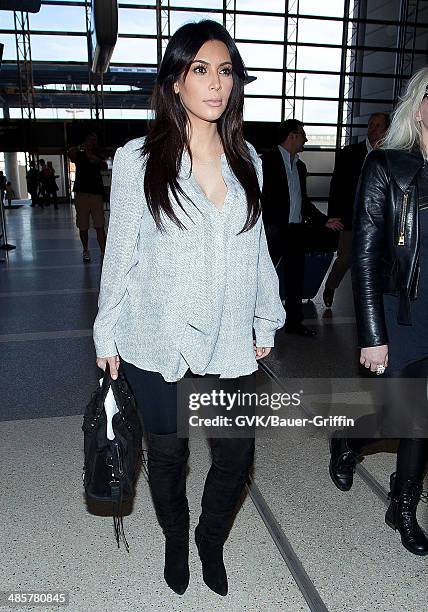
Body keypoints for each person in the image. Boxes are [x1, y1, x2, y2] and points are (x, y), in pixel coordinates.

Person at [93, 20, 285, 596]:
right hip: (157, 337)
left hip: (229, 338)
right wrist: (107, 334)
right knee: (169, 456)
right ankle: (177, 537)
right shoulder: (138, 161)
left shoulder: (246, 156)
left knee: (235, 453)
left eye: (225, 71)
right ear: (175, 80)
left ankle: (209, 538)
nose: (215, 83)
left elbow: (258, 246)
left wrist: (264, 316)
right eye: (200, 69)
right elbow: (119, 256)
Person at [329, 67, 428, 556]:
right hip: (399, 316)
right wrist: (373, 333)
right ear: (418, 104)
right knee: (395, 415)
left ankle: (403, 505)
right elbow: (365, 254)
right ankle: (348, 442)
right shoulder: (388, 166)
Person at [261, 119, 340, 336]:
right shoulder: (266, 161)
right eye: (303, 134)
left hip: (294, 231)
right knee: (262, 276)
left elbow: (303, 201)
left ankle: (294, 323)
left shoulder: (300, 166)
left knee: (295, 278)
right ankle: (250, 321)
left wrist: (324, 220)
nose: (306, 139)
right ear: (292, 135)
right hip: (271, 231)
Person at [322, 112, 390, 307]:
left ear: (386, 130)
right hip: (351, 216)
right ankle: (331, 286)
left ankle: (370, 298)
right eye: (371, 125)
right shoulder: (350, 153)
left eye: (378, 126)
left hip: (379, 218)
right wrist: (333, 214)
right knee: (345, 257)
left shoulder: (391, 154)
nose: (373, 129)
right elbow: (336, 185)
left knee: (375, 260)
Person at [68, 133, 107, 262]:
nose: (92, 142)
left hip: (96, 193)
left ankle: (103, 252)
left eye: (94, 140)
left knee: (99, 225)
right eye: (90, 140)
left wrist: (98, 160)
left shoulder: (98, 153)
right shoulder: (79, 154)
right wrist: (80, 147)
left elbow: (105, 165)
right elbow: (70, 153)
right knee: (83, 225)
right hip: (81, 193)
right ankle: (85, 250)